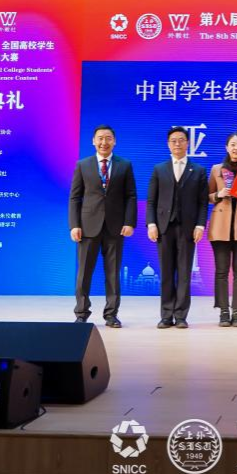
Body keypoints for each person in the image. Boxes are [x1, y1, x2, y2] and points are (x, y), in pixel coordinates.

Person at [69, 125, 137, 328]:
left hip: (115, 227)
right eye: (100, 138)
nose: (104, 142)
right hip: (88, 227)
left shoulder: (125, 165)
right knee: (84, 273)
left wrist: (129, 222)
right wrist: (74, 225)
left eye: (108, 138)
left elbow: (131, 196)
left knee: (113, 273)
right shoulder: (83, 165)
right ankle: (81, 313)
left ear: (114, 141)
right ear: (93, 141)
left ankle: (111, 315)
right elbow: (75, 197)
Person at [147, 126, 208, 329]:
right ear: (168, 144)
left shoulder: (198, 170)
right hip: (164, 227)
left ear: (188, 143)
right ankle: (166, 315)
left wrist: (200, 225)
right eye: (173, 140)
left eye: (181, 140)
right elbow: (151, 200)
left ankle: (181, 315)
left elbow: (202, 203)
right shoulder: (159, 169)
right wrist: (151, 224)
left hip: (188, 229)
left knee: (184, 273)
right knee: (166, 272)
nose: (177, 144)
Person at [207, 132, 237, 328]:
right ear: (227, 148)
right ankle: (223, 311)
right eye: (233, 145)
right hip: (221, 225)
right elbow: (207, 196)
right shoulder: (216, 169)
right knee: (221, 271)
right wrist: (218, 194)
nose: (236, 148)